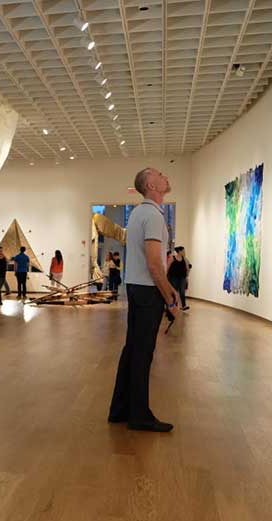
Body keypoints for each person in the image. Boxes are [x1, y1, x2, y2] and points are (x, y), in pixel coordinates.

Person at [108, 168, 180, 433]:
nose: (166, 176)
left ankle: (120, 409)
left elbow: (154, 261)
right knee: (142, 353)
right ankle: (139, 415)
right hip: (148, 290)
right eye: (161, 174)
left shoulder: (140, 212)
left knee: (132, 350)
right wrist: (168, 295)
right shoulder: (151, 214)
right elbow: (153, 262)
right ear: (152, 185)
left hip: (137, 287)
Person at [167, 246, 190, 310]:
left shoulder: (184, 259)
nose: (184, 252)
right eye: (183, 250)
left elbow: (187, 268)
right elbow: (168, 267)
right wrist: (165, 276)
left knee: (182, 291)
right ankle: (172, 306)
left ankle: (183, 306)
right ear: (179, 251)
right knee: (174, 292)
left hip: (182, 278)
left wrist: (187, 278)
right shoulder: (172, 258)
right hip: (174, 277)